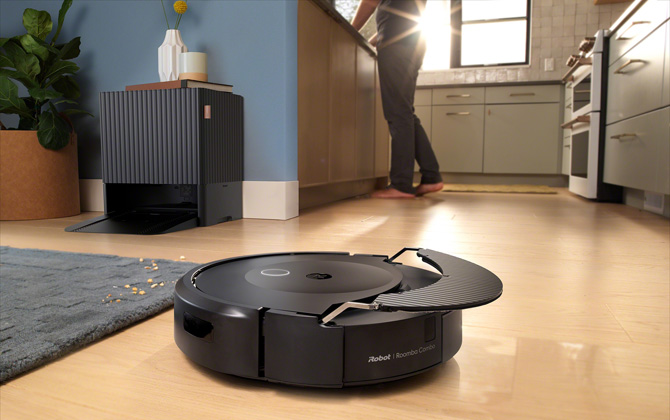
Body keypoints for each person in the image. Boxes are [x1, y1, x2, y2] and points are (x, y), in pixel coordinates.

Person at [352, 0, 443, 198]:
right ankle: (431, 176)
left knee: (399, 113)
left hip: (396, 44)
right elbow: (399, 16)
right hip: (413, 44)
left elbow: (369, 2)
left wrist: (350, 31)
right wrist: (373, 41)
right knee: (406, 113)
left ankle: (401, 184)